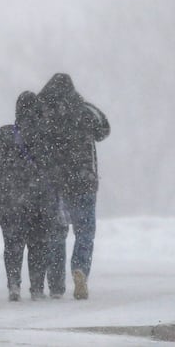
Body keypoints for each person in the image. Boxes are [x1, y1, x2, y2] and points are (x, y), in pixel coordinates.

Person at [37, 73, 110, 300]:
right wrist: (84, 104)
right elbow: (104, 129)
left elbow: (32, 139)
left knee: (57, 232)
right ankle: (80, 270)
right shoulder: (84, 111)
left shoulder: (43, 113)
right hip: (83, 180)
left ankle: (57, 283)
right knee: (84, 232)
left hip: (55, 182)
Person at [0, 91, 67, 301]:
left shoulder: (7, 135)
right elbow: (53, 168)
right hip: (39, 197)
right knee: (38, 243)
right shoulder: (47, 135)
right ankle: (36, 287)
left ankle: (14, 284)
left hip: (10, 195)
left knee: (12, 242)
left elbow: (3, 165)